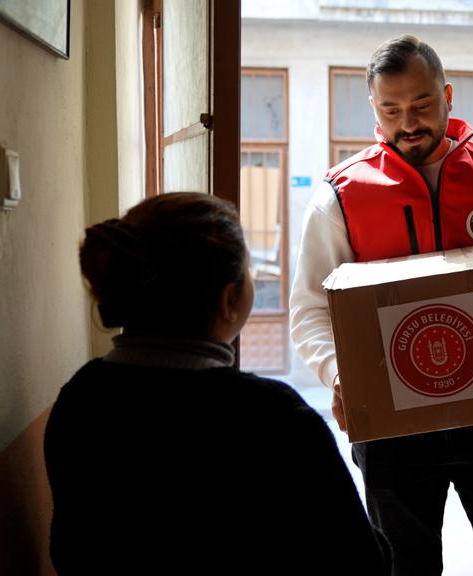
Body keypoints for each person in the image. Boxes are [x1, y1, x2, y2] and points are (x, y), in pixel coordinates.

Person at [289, 35, 473, 575]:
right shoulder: (339, 197)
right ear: (373, 108)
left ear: (448, 95)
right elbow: (309, 310)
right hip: (392, 427)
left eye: (422, 105)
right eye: (391, 110)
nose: (408, 123)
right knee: (404, 567)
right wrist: (340, 375)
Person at [44, 193, 389, 574]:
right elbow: (361, 561)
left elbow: (70, 549)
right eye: (248, 272)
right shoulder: (270, 416)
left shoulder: (81, 397)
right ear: (229, 301)